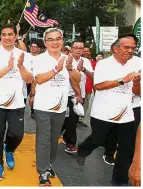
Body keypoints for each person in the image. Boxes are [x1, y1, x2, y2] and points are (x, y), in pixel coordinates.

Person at [76, 34, 141, 186]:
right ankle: (83, 149)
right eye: (127, 47)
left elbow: (138, 92)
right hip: (103, 113)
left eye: (133, 48)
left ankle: (119, 181)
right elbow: (98, 86)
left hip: (127, 114)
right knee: (98, 140)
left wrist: (137, 83)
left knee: (127, 148)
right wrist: (122, 80)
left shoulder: (139, 63)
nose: (130, 51)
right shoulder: (104, 64)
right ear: (115, 49)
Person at [32, 28, 81, 186]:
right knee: (44, 140)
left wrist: (69, 68)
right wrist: (56, 69)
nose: (55, 42)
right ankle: (42, 171)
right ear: (45, 43)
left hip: (60, 107)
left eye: (58, 38)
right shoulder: (39, 59)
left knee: (54, 140)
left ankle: (49, 163)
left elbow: (76, 78)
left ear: (62, 40)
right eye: (51, 39)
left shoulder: (68, 58)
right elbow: (39, 79)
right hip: (43, 107)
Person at [0, 23, 32, 181]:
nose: (6, 37)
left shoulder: (24, 55)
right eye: (3, 34)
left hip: (16, 102)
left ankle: (9, 148)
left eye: (10, 34)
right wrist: (8, 68)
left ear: (15, 36)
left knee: (17, 134)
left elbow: (29, 79)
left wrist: (20, 66)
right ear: (0, 37)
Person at [62, 40, 94, 154]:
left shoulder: (86, 61)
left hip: (81, 95)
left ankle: (65, 137)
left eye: (81, 48)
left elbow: (93, 76)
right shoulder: (64, 59)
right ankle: (71, 143)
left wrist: (84, 69)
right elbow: (69, 78)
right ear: (71, 48)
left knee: (73, 119)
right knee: (69, 119)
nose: (78, 50)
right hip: (67, 94)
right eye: (76, 47)